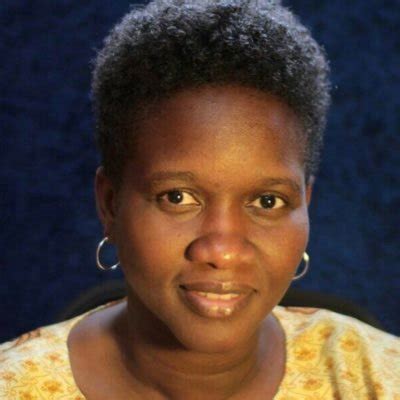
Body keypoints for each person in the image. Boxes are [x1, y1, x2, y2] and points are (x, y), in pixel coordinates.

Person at [1, 0, 399, 398]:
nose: (222, 251)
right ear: (109, 203)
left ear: (305, 205)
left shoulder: (381, 377)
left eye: (268, 201)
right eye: (176, 197)